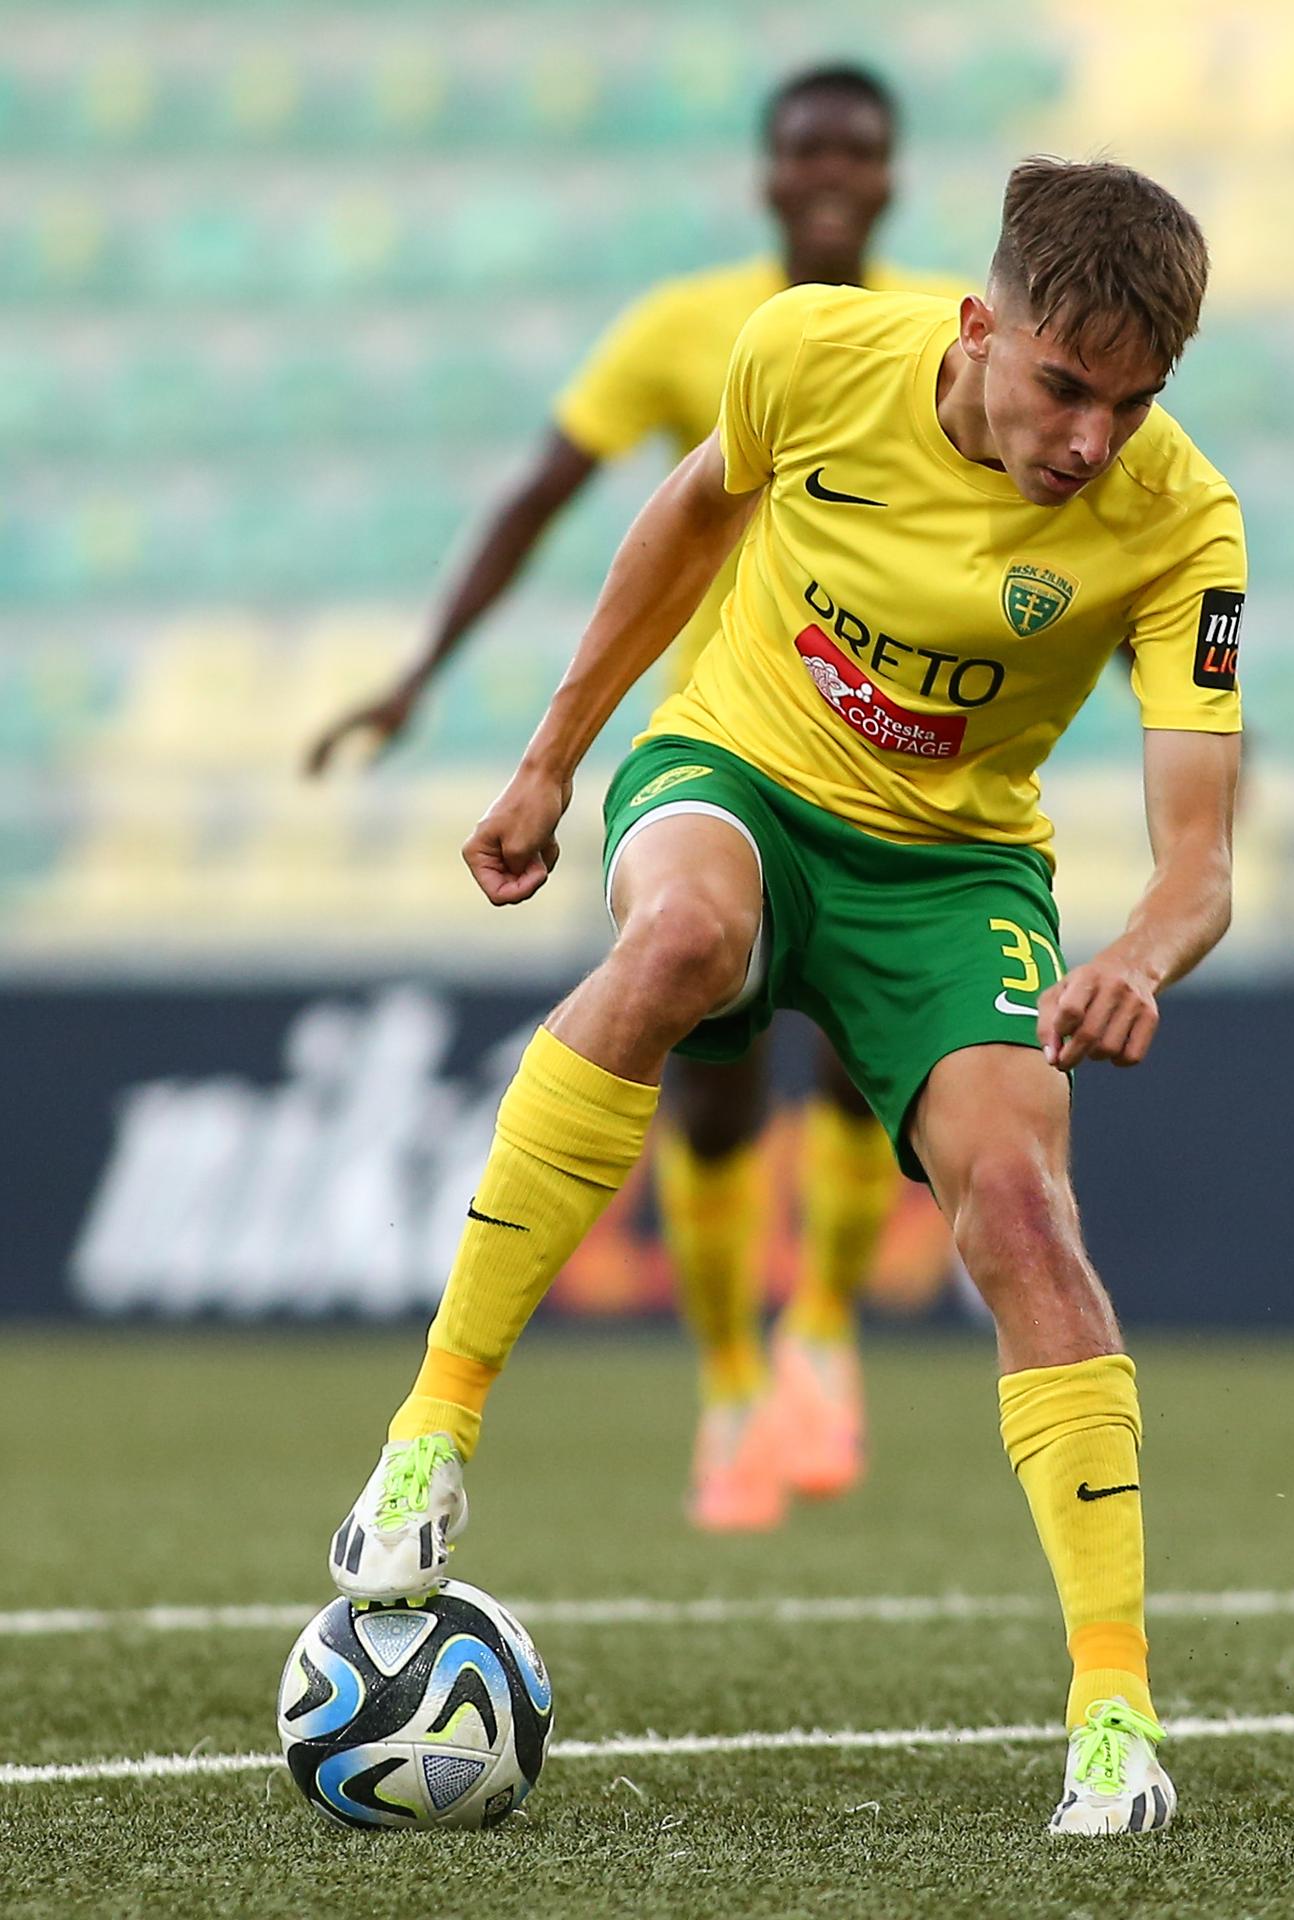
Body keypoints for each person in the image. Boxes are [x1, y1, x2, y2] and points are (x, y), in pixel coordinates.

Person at [321, 158, 1245, 1838]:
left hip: (953, 878)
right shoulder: (809, 356)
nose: (1094, 437)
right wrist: (549, 762)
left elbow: (1198, 866)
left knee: (1026, 1213)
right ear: (980, 330)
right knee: (671, 948)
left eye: (1136, 400)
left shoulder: (1181, 519)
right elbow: (682, 518)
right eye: (1064, 385)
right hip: (733, 770)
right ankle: (428, 1434)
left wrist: (1135, 956)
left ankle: (1114, 1717)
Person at [306, 64, 971, 1535]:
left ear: (891, 172)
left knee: (874, 1067)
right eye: (805, 149)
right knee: (716, 1086)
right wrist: (423, 668)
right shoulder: (689, 326)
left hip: (881, 757)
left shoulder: (949, 331)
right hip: (721, 745)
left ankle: (822, 1339)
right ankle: (733, 1382)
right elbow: (545, 493)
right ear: (765, 174)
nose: (830, 173)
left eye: (856, 150)